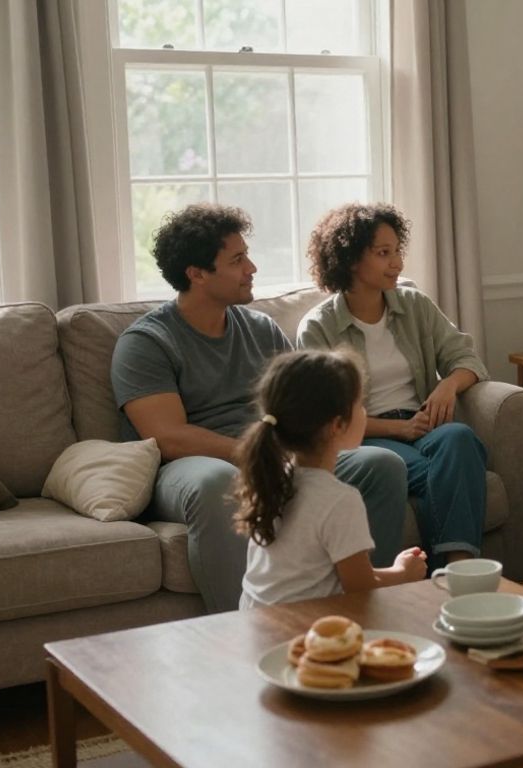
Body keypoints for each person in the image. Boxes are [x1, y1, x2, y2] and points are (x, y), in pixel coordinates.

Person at [111, 203, 408, 613]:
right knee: (216, 482)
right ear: (197, 274)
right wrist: (261, 455)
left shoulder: (260, 328)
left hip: (276, 453)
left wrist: (293, 450)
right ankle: (237, 630)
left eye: (247, 255)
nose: (251, 268)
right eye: (237, 260)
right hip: (188, 468)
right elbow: (169, 437)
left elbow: (300, 401)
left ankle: (362, 607)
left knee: (380, 464)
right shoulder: (147, 343)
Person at [298, 203, 489, 572]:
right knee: (444, 472)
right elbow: (325, 418)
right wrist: (397, 428)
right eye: (383, 253)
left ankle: (456, 568)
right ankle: (453, 571)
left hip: (423, 425)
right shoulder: (319, 327)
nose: (397, 263)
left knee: (459, 438)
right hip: (367, 437)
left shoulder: (414, 305)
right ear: (351, 259)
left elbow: (467, 359)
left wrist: (448, 385)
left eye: (397, 251)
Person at [236, 350, 428, 608]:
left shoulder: (272, 479)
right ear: (337, 425)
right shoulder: (340, 501)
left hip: (253, 619)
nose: (364, 412)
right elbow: (361, 587)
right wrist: (403, 573)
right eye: (360, 405)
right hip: (298, 625)